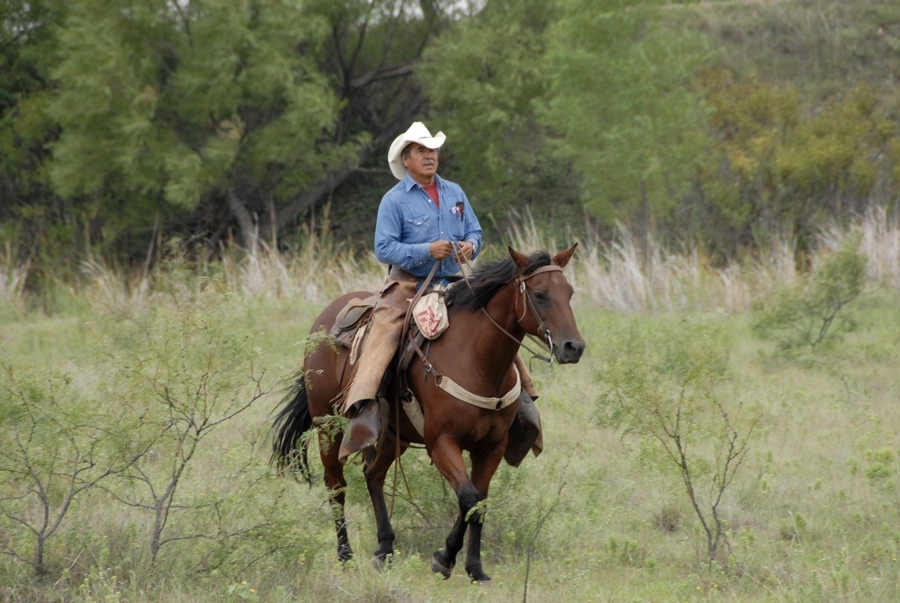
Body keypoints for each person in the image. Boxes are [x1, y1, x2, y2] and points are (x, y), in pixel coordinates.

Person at [338, 122, 542, 465]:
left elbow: (475, 231)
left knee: (497, 324)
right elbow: (383, 248)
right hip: (408, 285)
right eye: (421, 151)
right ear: (406, 159)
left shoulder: (455, 192)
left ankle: (523, 401)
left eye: (432, 150)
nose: (429, 156)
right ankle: (366, 409)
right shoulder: (394, 200)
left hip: (456, 284)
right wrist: (425, 250)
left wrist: (469, 247)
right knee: (386, 332)